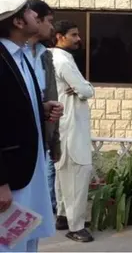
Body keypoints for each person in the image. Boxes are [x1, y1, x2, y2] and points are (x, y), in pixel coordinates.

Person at [0, 0, 62, 252]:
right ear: (17, 21)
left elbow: (15, 106)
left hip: (30, 171)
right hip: (12, 178)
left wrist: (41, 108)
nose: (35, 15)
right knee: (9, 244)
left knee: (28, 239)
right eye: (28, 11)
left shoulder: (21, 56)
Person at [50, 20, 95, 243]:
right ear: (60, 36)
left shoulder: (59, 58)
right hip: (70, 127)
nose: (79, 39)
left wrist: (82, 87)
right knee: (78, 171)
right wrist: (85, 87)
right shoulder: (61, 60)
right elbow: (86, 90)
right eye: (74, 35)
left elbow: (82, 88)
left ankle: (62, 216)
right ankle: (76, 226)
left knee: (63, 173)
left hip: (65, 125)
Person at [23, 0, 60, 215]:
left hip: (39, 137)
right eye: (47, 20)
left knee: (33, 215)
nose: (51, 26)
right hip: (16, 145)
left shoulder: (45, 56)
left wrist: (54, 139)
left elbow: (49, 95)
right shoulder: (11, 54)